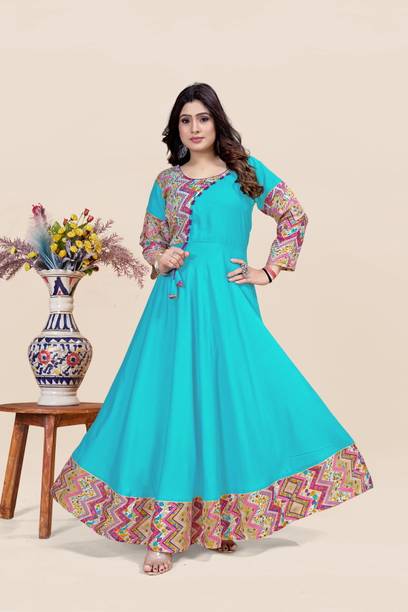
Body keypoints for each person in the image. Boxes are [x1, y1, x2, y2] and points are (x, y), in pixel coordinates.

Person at [50, 82, 374, 576]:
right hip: (174, 303)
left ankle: (223, 521)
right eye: (185, 120)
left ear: (217, 121)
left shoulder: (246, 172)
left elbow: (293, 214)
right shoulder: (166, 181)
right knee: (168, 403)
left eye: (202, 118)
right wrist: (159, 258)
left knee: (229, 399)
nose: (194, 127)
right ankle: (163, 533)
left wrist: (269, 270)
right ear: (176, 128)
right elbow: (151, 240)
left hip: (226, 300)